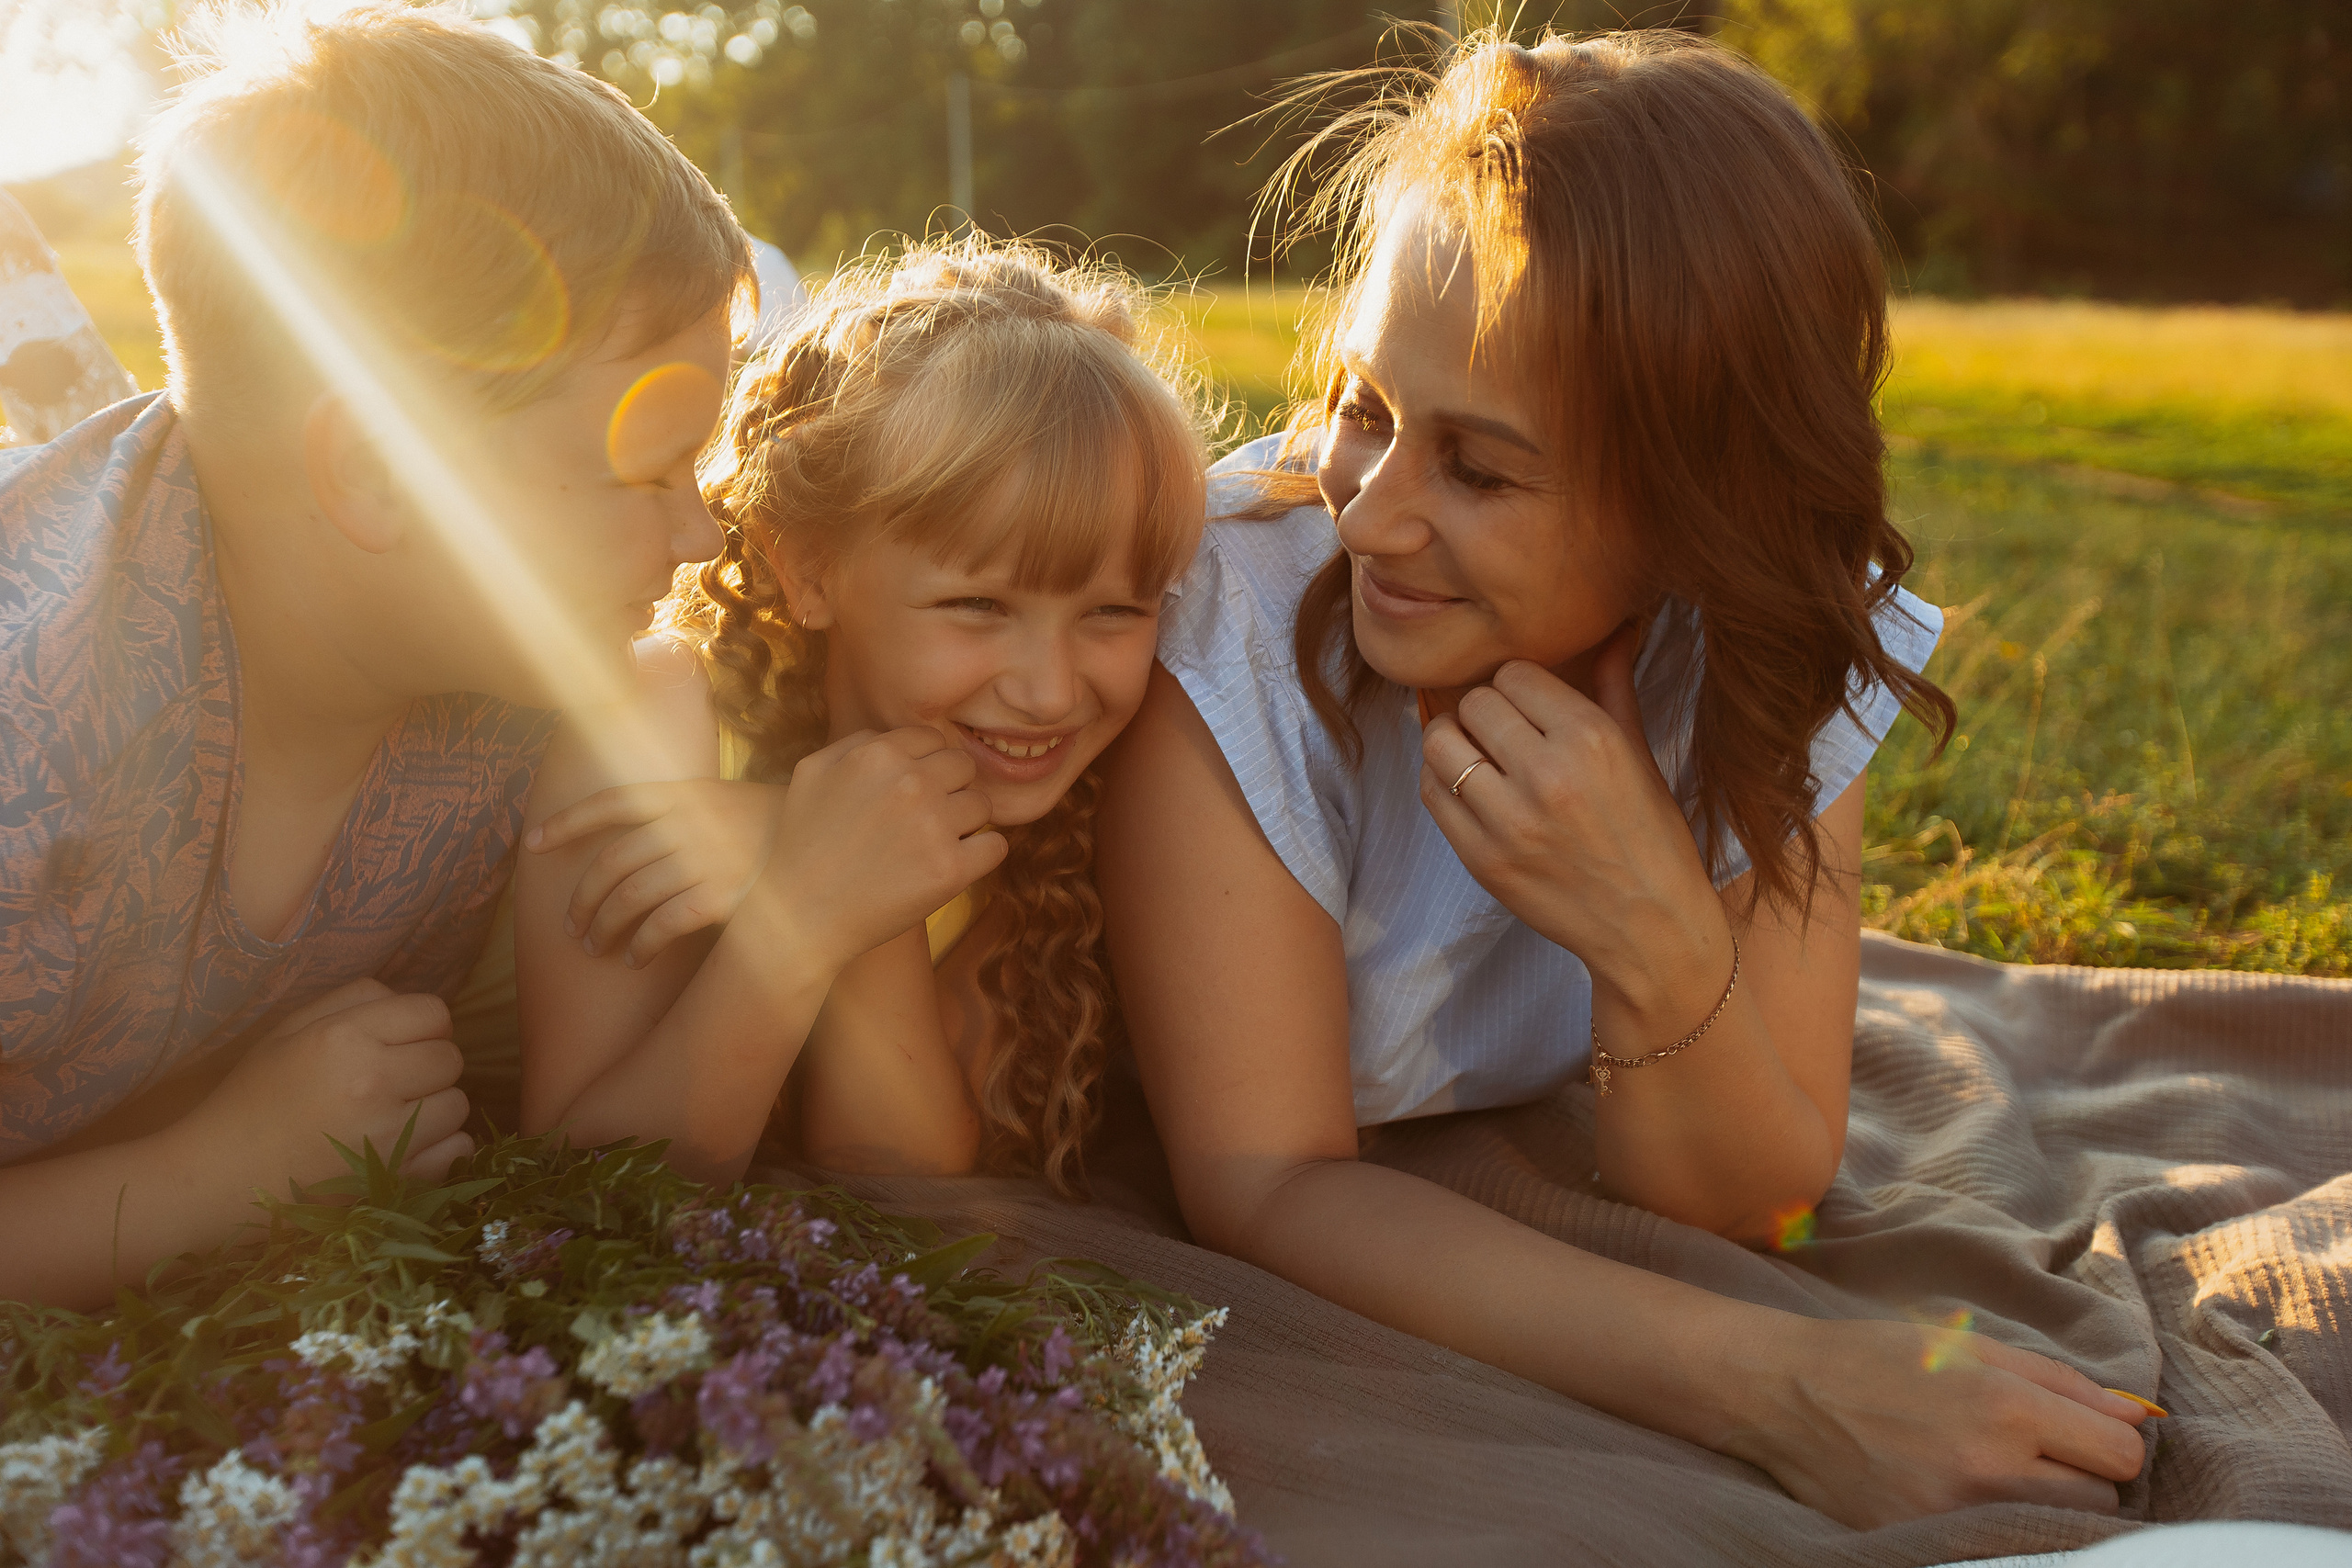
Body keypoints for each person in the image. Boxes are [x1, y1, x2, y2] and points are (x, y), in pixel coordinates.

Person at [1095, 31, 2158, 1529]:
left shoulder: (1771, 640)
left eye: (1479, 468)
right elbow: (1266, 1177)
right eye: (1365, 404)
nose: (1373, 514)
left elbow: (1750, 1201)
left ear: (1695, 504)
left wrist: (1647, 919)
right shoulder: (1232, 616)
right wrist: (1777, 1382)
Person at [0, 1, 750, 1309]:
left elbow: (612, 1169)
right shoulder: (32, 738)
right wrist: (202, 1180)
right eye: (647, 468)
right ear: (376, 473)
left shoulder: (558, 681)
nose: (701, 533)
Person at [514, 238, 1207, 1191]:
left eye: (1115, 612)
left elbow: (895, 1171)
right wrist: (805, 905)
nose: (1049, 691)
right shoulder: (660, 716)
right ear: (809, 568)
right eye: (979, 605)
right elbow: (578, 1181)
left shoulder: (1044, 814)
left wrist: (831, 873)